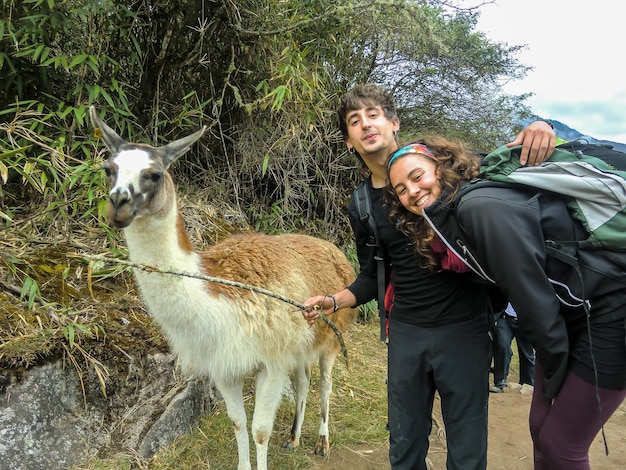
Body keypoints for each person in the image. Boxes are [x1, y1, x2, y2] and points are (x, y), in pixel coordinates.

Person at [302, 83, 555, 470]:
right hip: (408, 334)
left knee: (467, 449)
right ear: (350, 142)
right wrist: (335, 300)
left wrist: (539, 126)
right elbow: (374, 276)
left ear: (393, 123)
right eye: (355, 121)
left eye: (373, 114)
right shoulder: (362, 204)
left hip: (466, 328)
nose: (366, 125)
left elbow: (502, 176)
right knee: (404, 447)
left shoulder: (439, 168)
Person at [385, 136, 626, 469]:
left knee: (561, 446)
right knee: (541, 430)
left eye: (417, 176)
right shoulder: (452, 221)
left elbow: (533, 304)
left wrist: (555, 376)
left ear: (441, 167)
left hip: (612, 308)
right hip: (574, 314)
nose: (411, 191)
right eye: (400, 189)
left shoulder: (478, 207)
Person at [490, 302, 535, 393]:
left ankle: (527, 383)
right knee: (502, 346)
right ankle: (500, 382)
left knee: (526, 352)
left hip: (526, 320)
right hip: (505, 318)